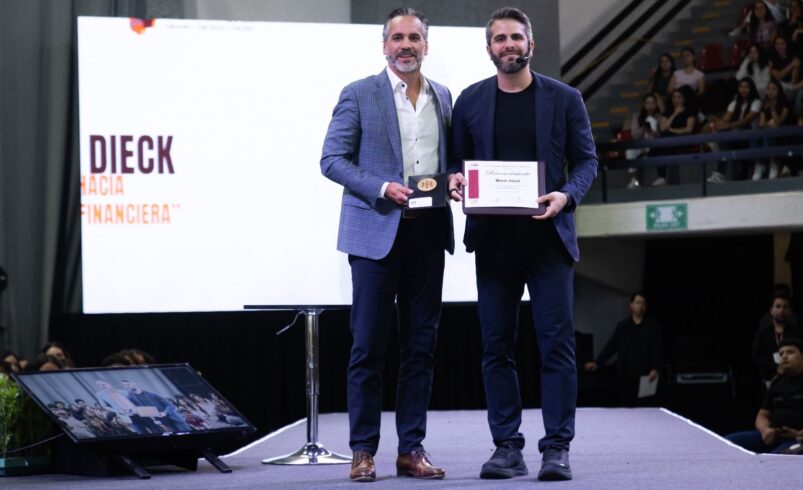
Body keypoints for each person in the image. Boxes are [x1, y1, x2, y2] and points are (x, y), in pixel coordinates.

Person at [447, 7, 597, 481]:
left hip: (549, 242)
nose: (509, 45)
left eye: (516, 37)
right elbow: (456, 163)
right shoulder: (469, 101)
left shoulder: (565, 98)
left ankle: (557, 449)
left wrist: (566, 196)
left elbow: (587, 161)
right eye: (500, 39)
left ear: (531, 44)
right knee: (496, 347)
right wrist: (454, 180)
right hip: (494, 244)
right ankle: (507, 448)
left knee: (556, 347)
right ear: (489, 48)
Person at [319, 7, 452, 482]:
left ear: (426, 45)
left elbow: (447, 161)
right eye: (398, 38)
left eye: (415, 37)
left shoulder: (443, 96)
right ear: (384, 45)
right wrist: (380, 187)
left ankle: (411, 450)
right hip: (375, 234)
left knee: (421, 348)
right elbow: (332, 159)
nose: (406, 45)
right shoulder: (359, 93)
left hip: (427, 234)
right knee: (368, 347)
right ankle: (363, 451)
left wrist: (456, 178)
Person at [726, 337, 803, 453]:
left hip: (797, 439)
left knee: (776, 457)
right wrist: (765, 430)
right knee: (726, 442)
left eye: (790, 352)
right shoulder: (777, 382)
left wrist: (798, 434)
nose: (784, 356)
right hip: (772, 436)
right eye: (781, 354)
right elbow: (762, 415)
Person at [584, 292, 662, 406]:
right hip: (626, 375)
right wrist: (597, 362)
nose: (640, 306)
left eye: (643, 304)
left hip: (645, 375)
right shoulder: (623, 327)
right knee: (626, 407)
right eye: (637, 303)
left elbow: (657, 349)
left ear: (646, 307)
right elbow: (611, 346)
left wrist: (655, 368)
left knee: (645, 407)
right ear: (631, 305)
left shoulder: (652, 327)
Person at [707, 77, 762, 183]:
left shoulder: (756, 102)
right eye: (741, 87)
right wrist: (718, 122)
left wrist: (728, 126)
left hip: (751, 136)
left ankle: (759, 164)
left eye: (746, 87)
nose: (743, 90)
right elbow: (725, 119)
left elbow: (746, 121)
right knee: (720, 136)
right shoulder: (734, 103)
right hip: (736, 136)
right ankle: (720, 173)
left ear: (751, 89)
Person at [752, 291, 801, 383]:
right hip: (768, 379)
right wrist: (775, 367)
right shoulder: (763, 333)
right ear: (771, 310)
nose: (781, 310)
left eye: (785, 307)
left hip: (792, 380)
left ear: (790, 311)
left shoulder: (796, 332)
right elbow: (756, 357)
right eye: (778, 306)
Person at [653, 86, 697, 186]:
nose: (676, 100)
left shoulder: (689, 111)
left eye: (679, 97)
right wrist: (674, 114)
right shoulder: (668, 112)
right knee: (663, 142)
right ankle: (661, 177)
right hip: (668, 139)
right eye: (674, 97)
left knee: (662, 141)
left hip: (682, 139)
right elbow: (663, 128)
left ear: (684, 99)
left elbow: (688, 129)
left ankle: (660, 174)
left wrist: (673, 130)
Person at [120, 379, 191, 432]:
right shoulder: (131, 398)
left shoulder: (152, 394)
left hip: (174, 418)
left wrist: (165, 413)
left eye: (128, 384)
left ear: (134, 384)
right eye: (124, 386)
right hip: (164, 422)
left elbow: (170, 405)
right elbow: (139, 410)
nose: (127, 387)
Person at [624, 94, 663, 189]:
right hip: (640, 144)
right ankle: (634, 179)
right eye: (648, 103)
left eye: (652, 103)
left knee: (651, 120)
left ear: (656, 104)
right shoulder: (637, 116)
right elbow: (634, 135)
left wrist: (652, 132)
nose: (650, 106)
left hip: (654, 145)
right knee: (630, 151)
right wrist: (643, 129)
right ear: (644, 104)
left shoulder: (660, 117)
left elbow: (661, 133)